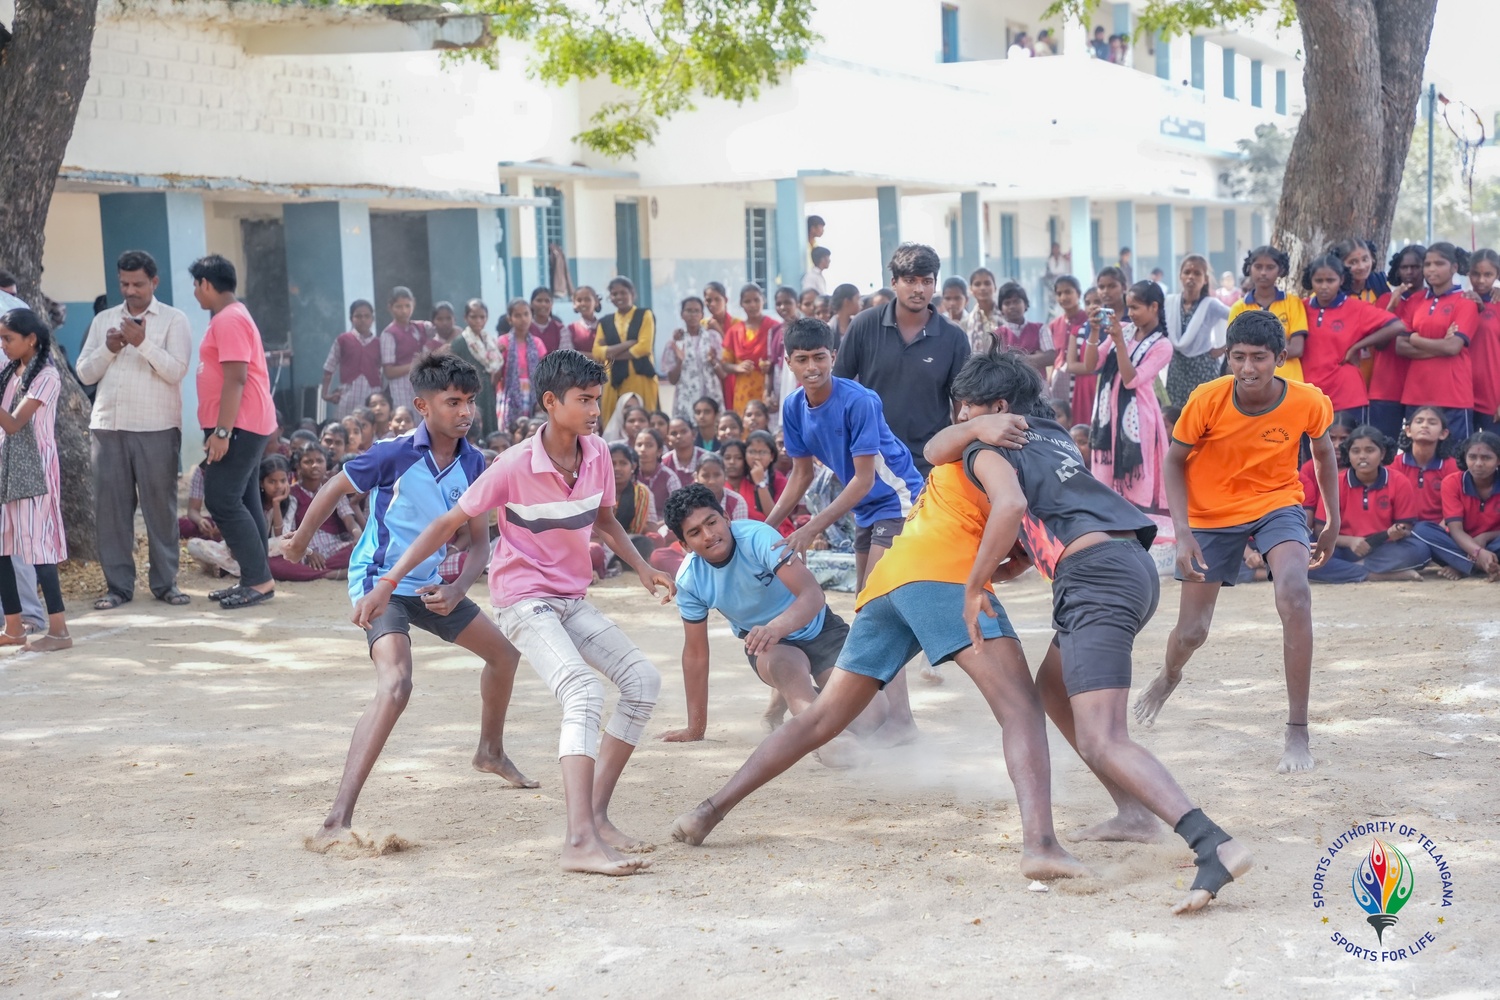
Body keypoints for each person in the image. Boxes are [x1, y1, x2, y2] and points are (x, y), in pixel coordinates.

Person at [669, 358, 1088, 885]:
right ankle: (1042, 845)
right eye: (960, 408)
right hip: (943, 579)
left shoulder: (964, 449)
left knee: (821, 720)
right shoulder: (993, 448)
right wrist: (983, 579)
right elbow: (1014, 512)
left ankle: (708, 810)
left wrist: (1005, 563)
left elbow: (1003, 522)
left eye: (967, 406)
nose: (960, 414)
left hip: (888, 581)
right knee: (1022, 709)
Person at [923, 349, 1252, 914]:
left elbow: (969, 475)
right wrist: (1014, 561)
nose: (960, 419)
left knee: (1104, 737)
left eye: (967, 409)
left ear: (997, 409)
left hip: (1095, 578)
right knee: (1052, 689)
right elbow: (1042, 520)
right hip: (1126, 566)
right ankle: (1133, 813)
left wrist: (975, 583)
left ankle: (1212, 843)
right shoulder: (1052, 434)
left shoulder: (986, 443)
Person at [353, 348, 673, 876]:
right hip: (522, 600)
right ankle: (578, 842)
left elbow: (605, 521)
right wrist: (387, 583)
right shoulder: (513, 465)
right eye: (584, 400)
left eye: (598, 399)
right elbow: (445, 526)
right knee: (583, 691)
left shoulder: (597, 453)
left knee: (643, 680)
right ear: (550, 402)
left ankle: (595, 816)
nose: (595, 410)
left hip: (570, 598)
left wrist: (641, 567)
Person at [287, 352, 536, 844]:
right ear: (423, 406)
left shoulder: (474, 462)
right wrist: (297, 544)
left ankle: (489, 751)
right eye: (453, 402)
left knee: (505, 656)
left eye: (470, 402)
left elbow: (479, 543)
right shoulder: (392, 453)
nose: (465, 412)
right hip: (380, 583)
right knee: (397, 685)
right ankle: (336, 820)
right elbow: (335, 487)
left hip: (430, 585)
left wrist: (457, 588)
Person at [1134, 310, 1340, 774]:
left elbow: (1323, 453)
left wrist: (1332, 521)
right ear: (1227, 356)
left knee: (1295, 594)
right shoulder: (1207, 399)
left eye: (1259, 358)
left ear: (1280, 358)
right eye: (1239, 357)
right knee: (1192, 633)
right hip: (1210, 514)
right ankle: (1169, 675)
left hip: (1277, 503)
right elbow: (1174, 462)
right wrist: (1183, 533)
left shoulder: (1308, 400)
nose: (1248, 368)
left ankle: (1297, 730)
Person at [659, 484, 874, 761]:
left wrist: (776, 627)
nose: (709, 535)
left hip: (818, 626)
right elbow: (696, 654)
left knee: (873, 720)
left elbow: (812, 595)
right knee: (788, 670)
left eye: (712, 522)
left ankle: (784, 699)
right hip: (769, 646)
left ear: (727, 517)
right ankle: (827, 738)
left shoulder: (759, 537)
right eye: (695, 532)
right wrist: (695, 727)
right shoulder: (690, 580)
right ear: (685, 545)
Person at [74, 249, 193, 611]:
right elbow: (84, 373)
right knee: (110, 512)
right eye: (124, 283)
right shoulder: (104, 320)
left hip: (156, 426)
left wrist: (142, 343)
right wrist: (109, 348)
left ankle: (165, 584)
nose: (130, 290)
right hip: (107, 426)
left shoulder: (174, 320)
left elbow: (176, 371)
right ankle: (118, 587)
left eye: (138, 284)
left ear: (154, 282)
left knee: (160, 509)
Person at [833, 244, 971, 477]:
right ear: (894, 282)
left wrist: (961, 461)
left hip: (931, 463)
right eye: (910, 280)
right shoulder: (864, 325)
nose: (919, 289)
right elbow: (838, 388)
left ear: (935, 284)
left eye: (926, 281)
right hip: (872, 460)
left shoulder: (953, 336)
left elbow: (963, 405)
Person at [190, 254, 278, 611]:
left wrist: (222, 431)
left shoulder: (229, 318)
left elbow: (236, 378)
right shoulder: (231, 316)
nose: (195, 292)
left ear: (206, 284)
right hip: (244, 422)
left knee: (222, 499)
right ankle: (255, 577)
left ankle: (258, 579)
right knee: (244, 499)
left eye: (196, 285)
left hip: (239, 424)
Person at [1072, 279, 1173, 538]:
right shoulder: (1125, 330)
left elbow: (1131, 379)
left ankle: (1139, 536)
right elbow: (1091, 365)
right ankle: (1113, 534)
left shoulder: (1163, 345)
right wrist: (1095, 333)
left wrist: (1118, 343)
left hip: (1138, 419)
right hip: (1108, 415)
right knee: (1106, 482)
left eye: (1136, 307)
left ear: (1154, 307)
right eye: (1129, 307)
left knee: (1136, 480)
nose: (1131, 313)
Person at [0, 309, 71, 651]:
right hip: (6, 465)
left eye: (8, 338)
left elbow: (14, 424)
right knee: (2, 545)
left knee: (39, 546)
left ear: (31, 339)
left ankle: (59, 630)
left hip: (34, 469)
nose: (3, 345)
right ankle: (14, 627)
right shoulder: (10, 371)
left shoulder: (47, 376)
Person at [1301, 425, 1428, 583]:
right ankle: (1374, 575)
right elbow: (1321, 529)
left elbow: (1405, 526)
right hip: (1342, 548)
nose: (1362, 456)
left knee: (1420, 551)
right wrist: (1351, 541)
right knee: (1303, 554)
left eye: (1369, 450)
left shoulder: (1399, 481)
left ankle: (1350, 570)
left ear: (1382, 453)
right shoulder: (1335, 483)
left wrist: (1396, 532)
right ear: (1348, 454)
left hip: (1383, 549)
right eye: (1356, 451)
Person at [1299, 254, 1406, 426]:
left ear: (1341, 280)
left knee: (1350, 443)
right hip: (1308, 395)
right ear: (1311, 281)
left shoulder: (1357, 308)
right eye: (1318, 281)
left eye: (1330, 280)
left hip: (1347, 396)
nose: (1324, 286)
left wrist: (1358, 346)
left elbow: (1396, 326)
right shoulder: (1300, 307)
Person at [1396, 242, 1479, 442]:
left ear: (1454, 267)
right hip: (1416, 394)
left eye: (1439, 263)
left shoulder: (1466, 302)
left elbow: (1453, 347)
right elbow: (1400, 346)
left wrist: (1415, 338)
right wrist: (1439, 344)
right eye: (1428, 264)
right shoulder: (1415, 301)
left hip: (1454, 396)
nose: (1432, 269)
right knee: (1416, 456)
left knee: (1456, 456)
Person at [1424, 430, 1500, 580]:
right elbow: (1455, 530)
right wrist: (1478, 552)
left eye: (1486, 458)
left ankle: (1462, 566)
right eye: (1472, 457)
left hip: (1494, 543)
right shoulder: (1452, 482)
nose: (1478, 463)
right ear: (1465, 457)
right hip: (1460, 543)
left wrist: (1485, 537)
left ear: (1498, 460)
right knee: (1422, 530)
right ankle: (1481, 565)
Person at [1369, 244, 1427, 439]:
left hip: (1419, 386)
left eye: (1415, 267)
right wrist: (1391, 306)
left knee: (1416, 444)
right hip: (1385, 385)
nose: (1409, 272)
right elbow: (1379, 344)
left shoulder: (1430, 300)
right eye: (1404, 267)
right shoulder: (1385, 299)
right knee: (1382, 444)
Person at [1229, 246, 1306, 385]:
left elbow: (1297, 349)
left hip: (1290, 382)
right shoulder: (1239, 307)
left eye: (1270, 267)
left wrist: (1255, 350)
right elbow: (1235, 350)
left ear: (1280, 270)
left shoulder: (1292, 303)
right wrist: (1276, 346)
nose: (1263, 272)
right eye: (1258, 267)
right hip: (1252, 383)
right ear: (1249, 268)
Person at [1164, 255, 1231, 407]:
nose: (1191, 277)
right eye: (1187, 272)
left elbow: (1239, 318)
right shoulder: (1170, 302)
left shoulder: (1211, 305)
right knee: (1177, 415)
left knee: (1205, 412)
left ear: (1205, 279)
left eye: (1197, 273)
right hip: (1177, 368)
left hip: (1203, 367)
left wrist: (1224, 348)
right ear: (1180, 276)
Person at [592, 276, 659, 424]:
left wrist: (611, 354)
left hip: (640, 377)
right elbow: (597, 352)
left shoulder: (645, 315)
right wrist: (628, 344)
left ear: (632, 293)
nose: (619, 297)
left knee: (643, 420)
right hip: (613, 380)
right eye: (614, 294)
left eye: (623, 292)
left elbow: (644, 347)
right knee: (613, 422)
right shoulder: (605, 322)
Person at [1394, 406, 1458, 554]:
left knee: (1423, 531)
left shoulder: (1452, 467)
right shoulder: (1394, 465)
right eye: (1419, 421)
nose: (1424, 425)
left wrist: (1438, 532)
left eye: (1432, 422)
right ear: (1408, 430)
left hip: (1441, 533)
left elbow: (1456, 511)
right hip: (1404, 532)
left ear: (1443, 433)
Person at [320, 300, 383, 422]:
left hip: (373, 395)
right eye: (358, 316)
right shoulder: (343, 340)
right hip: (348, 395)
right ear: (351, 318)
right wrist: (325, 394)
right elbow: (329, 368)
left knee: (371, 425)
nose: (363, 320)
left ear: (372, 319)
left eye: (367, 316)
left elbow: (386, 371)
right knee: (346, 425)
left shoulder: (379, 343)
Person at [663, 295, 723, 422]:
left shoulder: (713, 337)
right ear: (682, 314)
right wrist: (680, 362)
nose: (693, 315)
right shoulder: (675, 342)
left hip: (711, 394)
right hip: (686, 397)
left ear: (702, 315)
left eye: (696, 311)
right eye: (689, 311)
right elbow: (672, 380)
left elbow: (723, 373)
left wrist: (713, 361)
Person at [449, 299, 502, 439]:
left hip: (488, 391)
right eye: (473, 317)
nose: (478, 321)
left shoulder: (489, 341)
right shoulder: (460, 343)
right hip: (470, 393)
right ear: (465, 318)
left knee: (490, 426)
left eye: (482, 317)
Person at [721, 284, 777, 414]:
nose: (752, 305)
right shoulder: (734, 331)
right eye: (747, 301)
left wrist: (770, 365)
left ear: (763, 300)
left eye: (756, 300)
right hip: (743, 391)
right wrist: (737, 367)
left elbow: (784, 360)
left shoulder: (774, 328)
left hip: (768, 389)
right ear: (741, 304)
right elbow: (724, 364)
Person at [496, 297, 547, 431]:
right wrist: (497, 356)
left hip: (532, 392)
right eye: (517, 315)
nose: (523, 319)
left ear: (531, 316)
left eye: (526, 314)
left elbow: (543, 374)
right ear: (510, 319)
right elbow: (496, 374)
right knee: (511, 430)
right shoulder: (503, 342)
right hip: (509, 393)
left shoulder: (537, 343)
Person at [1048, 276, 1091, 425]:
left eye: (1068, 292)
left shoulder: (1089, 321)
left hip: (1082, 380)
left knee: (1081, 422)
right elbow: (1054, 357)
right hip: (1059, 381)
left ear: (1078, 294)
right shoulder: (1054, 324)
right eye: (1059, 293)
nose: (1063, 297)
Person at [1466, 248, 1500, 432]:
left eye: (1488, 275)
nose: (1481, 280)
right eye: (1475, 274)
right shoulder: (1461, 301)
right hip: (1462, 395)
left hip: (1493, 399)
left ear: (1497, 275)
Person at [380, 286, 428, 411]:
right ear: (390, 307)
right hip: (400, 388)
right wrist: (417, 364)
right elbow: (389, 372)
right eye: (399, 307)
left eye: (407, 306)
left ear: (414, 304)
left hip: (420, 384)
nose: (404, 311)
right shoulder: (389, 334)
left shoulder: (419, 327)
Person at [992, 282, 1051, 374]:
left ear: (1026, 304)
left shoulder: (1040, 329)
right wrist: (1035, 358)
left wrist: (1011, 360)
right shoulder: (997, 335)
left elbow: (1050, 356)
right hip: (1009, 382)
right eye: (1007, 303)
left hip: (1039, 382)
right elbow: (997, 363)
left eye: (1016, 301)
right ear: (1001, 309)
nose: (1012, 306)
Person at [633, 427, 682, 521]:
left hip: (664, 525)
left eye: (649, 445)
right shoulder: (631, 475)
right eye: (639, 445)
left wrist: (656, 526)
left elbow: (678, 511)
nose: (642, 449)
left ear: (659, 451)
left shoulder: (669, 477)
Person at [964, 267, 1000, 350]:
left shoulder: (1007, 317)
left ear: (995, 287)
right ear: (971, 289)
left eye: (987, 283)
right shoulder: (966, 323)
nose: (982, 288)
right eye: (977, 284)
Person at [529, 287, 565, 354]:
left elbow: (565, 356)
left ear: (552, 304)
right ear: (531, 303)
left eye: (547, 301)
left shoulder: (560, 329)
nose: (543, 304)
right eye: (539, 301)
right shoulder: (524, 328)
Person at [827, 283, 862, 350]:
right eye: (858, 299)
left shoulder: (859, 326)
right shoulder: (829, 329)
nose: (861, 303)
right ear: (847, 302)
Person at [568, 287, 602, 354]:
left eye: (587, 300)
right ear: (574, 304)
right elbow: (570, 354)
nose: (583, 303)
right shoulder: (571, 329)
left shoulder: (605, 325)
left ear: (596, 302)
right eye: (579, 300)